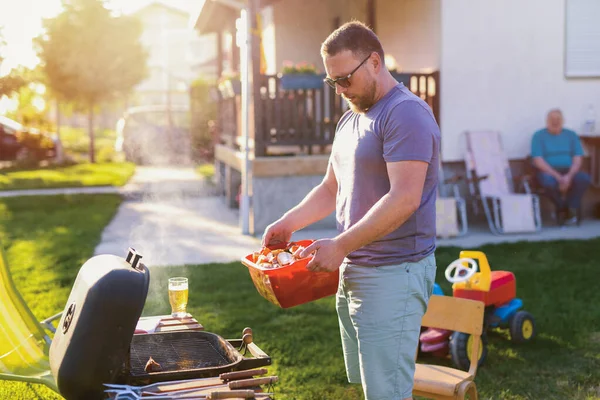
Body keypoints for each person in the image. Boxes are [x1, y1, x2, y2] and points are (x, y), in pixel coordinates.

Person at [262, 21, 441, 400]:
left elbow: (405, 198)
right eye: (333, 82)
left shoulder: (406, 114)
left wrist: (340, 244)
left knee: (388, 392)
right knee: (370, 385)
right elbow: (331, 187)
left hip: (394, 274)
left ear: (374, 62)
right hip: (356, 271)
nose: (340, 90)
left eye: (345, 78)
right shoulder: (351, 117)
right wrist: (288, 222)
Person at [531, 109, 591, 224]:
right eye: (552, 119)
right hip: (548, 171)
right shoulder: (538, 136)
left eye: (558, 119)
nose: (555, 122)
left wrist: (569, 176)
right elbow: (538, 161)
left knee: (584, 178)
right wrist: (559, 177)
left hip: (569, 170)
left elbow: (578, 158)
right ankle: (562, 207)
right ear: (546, 121)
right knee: (547, 181)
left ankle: (570, 207)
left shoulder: (571, 135)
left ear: (563, 121)